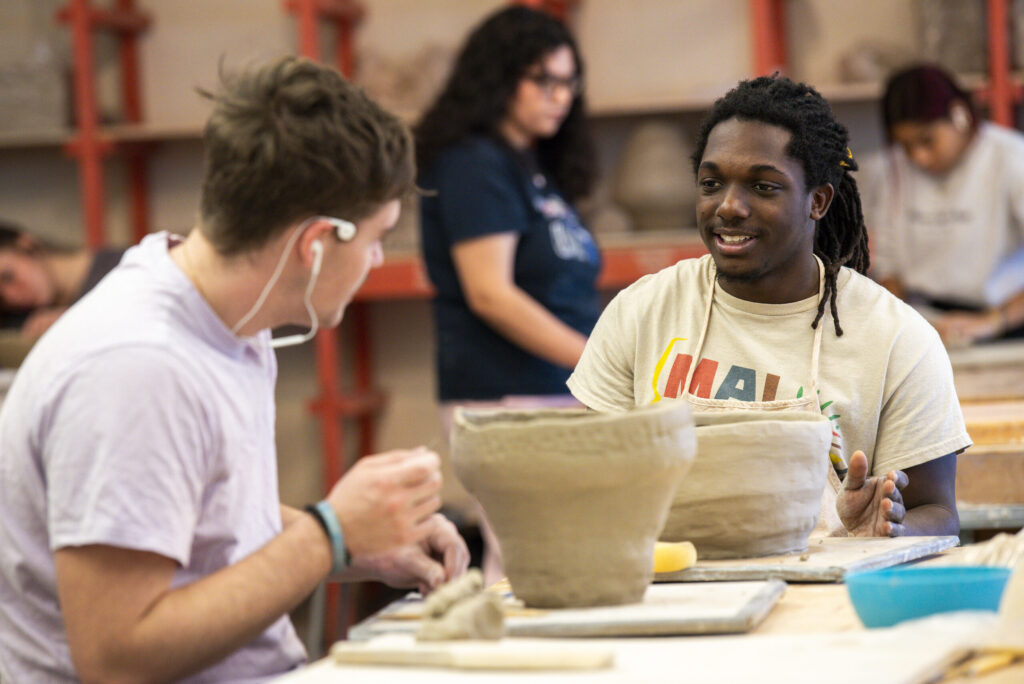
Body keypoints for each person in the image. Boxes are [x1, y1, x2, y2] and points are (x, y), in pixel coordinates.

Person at [0, 56, 469, 683]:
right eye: (376, 238)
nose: (377, 258)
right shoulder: (138, 369)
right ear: (317, 242)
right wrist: (328, 533)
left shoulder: (222, 319)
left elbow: (200, 519)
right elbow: (114, 657)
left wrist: (364, 540)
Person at [568, 75, 970, 538]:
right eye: (711, 183)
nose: (729, 206)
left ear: (817, 200)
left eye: (762, 187)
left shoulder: (898, 340)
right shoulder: (641, 313)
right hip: (671, 593)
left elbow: (938, 515)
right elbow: (597, 484)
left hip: (824, 595)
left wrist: (887, 529)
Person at [414, 6, 600, 579]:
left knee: (570, 560)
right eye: (544, 80)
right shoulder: (474, 162)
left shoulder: (528, 165)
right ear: (497, 78)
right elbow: (490, 294)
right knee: (535, 567)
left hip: (549, 393)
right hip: (506, 397)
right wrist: (601, 363)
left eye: (569, 82)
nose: (560, 96)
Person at [866, 64, 1024, 348]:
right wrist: (897, 322)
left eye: (927, 140)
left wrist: (992, 321)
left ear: (959, 116)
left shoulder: (1011, 158)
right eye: (906, 145)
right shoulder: (894, 170)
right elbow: (888, 268)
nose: (919, 157)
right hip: (927, 326)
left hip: (1005, 326)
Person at [0, 220, 126, 338]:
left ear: (26, 244)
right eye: (3, 300)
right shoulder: (24, 320)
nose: (13, 297)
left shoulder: (124, 267)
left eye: (8, 277)